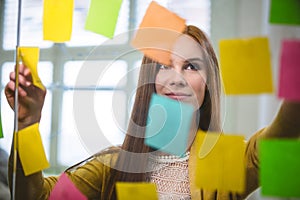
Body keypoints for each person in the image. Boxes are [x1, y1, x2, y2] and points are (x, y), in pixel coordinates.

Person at [5, 25, 300, 200]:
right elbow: (37, 197)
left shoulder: (232, 162)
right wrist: (28, 125)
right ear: (150, 82)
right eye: (164, 66)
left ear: (207, 84)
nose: (176, 78)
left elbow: (282, 136)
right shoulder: (113, 166)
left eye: (191, 66)